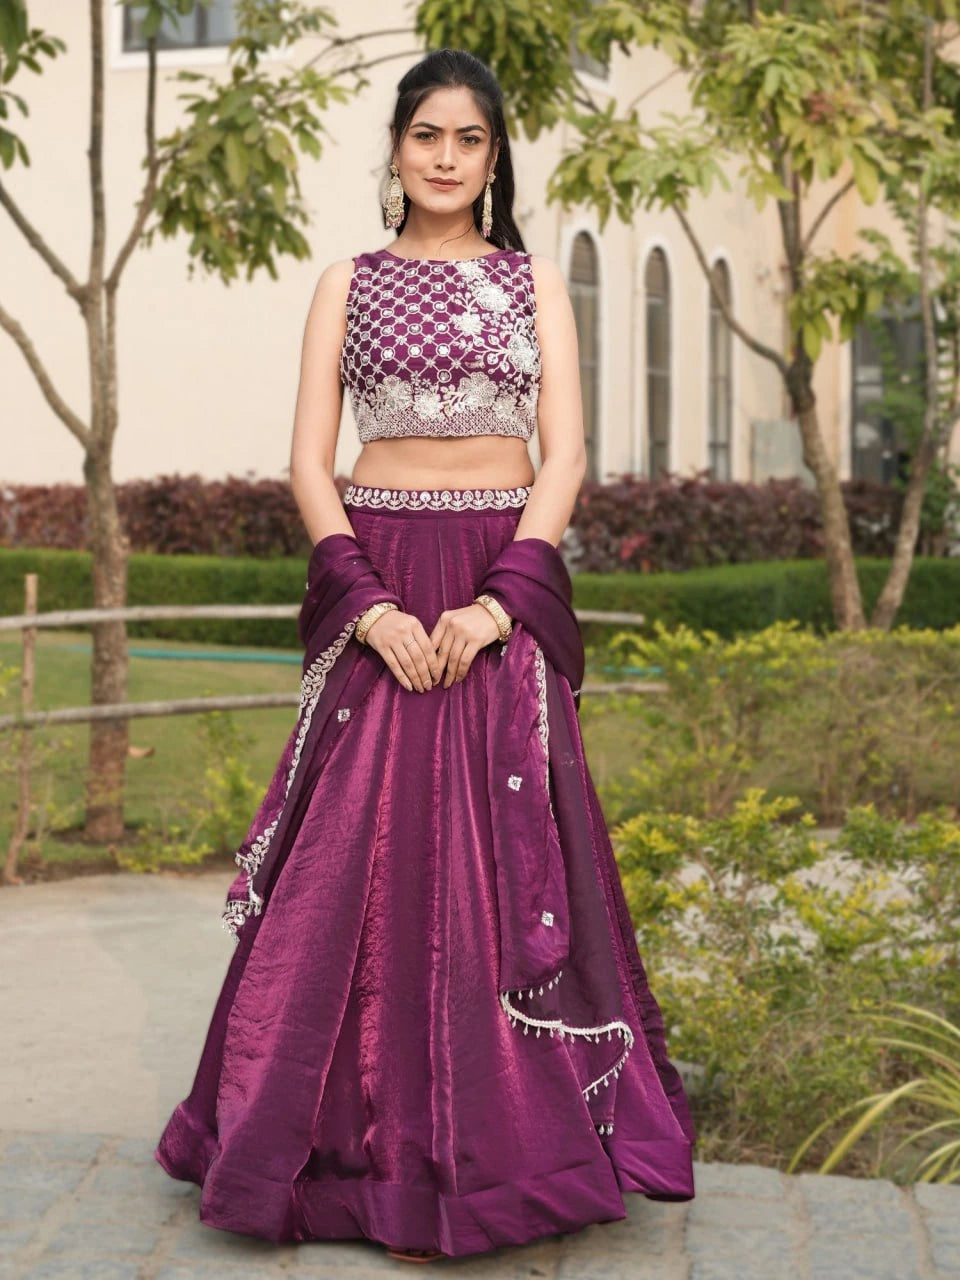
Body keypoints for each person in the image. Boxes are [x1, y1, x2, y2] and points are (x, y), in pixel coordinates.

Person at [154, 45, 696, 1264]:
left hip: (494, 576)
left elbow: (563, 453)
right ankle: (338, 1133)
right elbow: (308, 455)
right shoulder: (346, 281)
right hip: (383, 574)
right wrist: (369, 604)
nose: (447, 158)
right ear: (395, 148)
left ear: (495, 160)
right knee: (352, 851)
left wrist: (505, 603)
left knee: (509, 850)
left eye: (471, 140)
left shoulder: (531, 281)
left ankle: (512, 1136)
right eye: (426, 136)